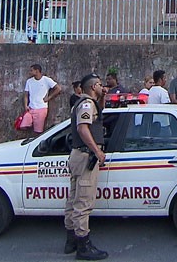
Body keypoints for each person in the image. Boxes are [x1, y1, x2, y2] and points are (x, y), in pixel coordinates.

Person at [63, 73, 108, 260]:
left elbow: (99, 114)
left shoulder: (88, 103)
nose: (102, 86)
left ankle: (71, 241)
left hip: (79, 155)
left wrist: (103, 96)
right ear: (92, 87)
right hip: (85, 156)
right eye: (99, 85)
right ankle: (83, 245)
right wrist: (97, 152)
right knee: (83, 202)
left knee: (73, 200)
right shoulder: (87, 104)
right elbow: (83, 128)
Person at [24, 64, 61, 135]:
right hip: (31, 108)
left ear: (37, 71)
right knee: (23, 125)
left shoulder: (46, 80)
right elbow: (26, 94)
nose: (30, 72)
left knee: (38, 130)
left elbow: (58, 88)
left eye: (32, 70)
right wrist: (26, 105)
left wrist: (49, 98)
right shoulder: (29, 81)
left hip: (41, 108)